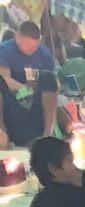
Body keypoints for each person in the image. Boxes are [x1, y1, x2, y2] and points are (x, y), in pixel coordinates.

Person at [0, 16, 58, 148]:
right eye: (27, 44)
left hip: (37, 104)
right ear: (17, 37)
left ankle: (47, 136)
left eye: (34, 46)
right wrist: (26, 89)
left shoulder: (44, 53)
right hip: (12, 103)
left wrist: (37, 89)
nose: (31, 49)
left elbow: (54, 83)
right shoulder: (4, 50)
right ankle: (2, 136)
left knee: (48, 77)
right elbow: (4, 79)